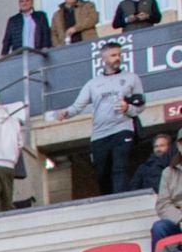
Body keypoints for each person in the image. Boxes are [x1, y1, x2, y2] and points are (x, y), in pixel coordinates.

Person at [54, 41, 145, 195]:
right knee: (102, 173)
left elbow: (140, 106)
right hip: (100, 134)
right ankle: (109, 201)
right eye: (113, 55)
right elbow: (77, 106)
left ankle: (122, 200)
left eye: (119, 55)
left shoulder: (132, 78)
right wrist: (65, 113)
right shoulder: (93, 84)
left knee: (120, 168)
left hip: (123, 128)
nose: (118, 58)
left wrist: (127, 108)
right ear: (103, 59)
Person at [153, 150, 182, 251]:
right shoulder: (168, 172)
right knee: (159, 227)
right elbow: (163, 204)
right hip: (178, 221)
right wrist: (180, 218)